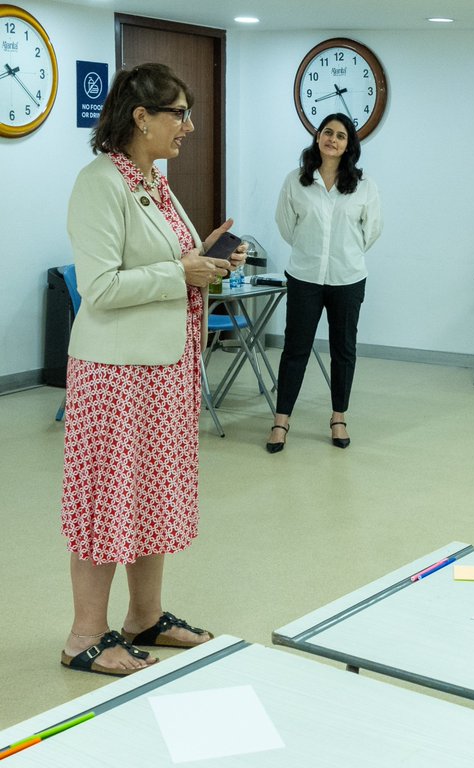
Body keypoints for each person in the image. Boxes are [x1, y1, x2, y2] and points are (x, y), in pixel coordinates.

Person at [62, 63, 243, 675]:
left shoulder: (152, 181)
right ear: (141, 117)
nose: (188, 126)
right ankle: (86, 635)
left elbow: (173, 263)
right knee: (108, 500)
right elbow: (100, 286)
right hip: (115, 373)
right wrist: (181, 272)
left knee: (150, 497)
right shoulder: (99, 182)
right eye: (179, 113)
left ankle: (145, 616)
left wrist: (207, 260)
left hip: (163, 369)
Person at [267, 113, 382, 452]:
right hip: (304, 276)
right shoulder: (296, 181)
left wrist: (344, 253)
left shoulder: (364, 186)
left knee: (343, 350)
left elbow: (371, 230)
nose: (333, 139)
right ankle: (281, 420)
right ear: (318, 138)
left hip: (347, 278)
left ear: (349, 145)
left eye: (341, 135)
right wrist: (312, 252)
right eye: (327, 133)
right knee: (295, 350)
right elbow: (286, 226)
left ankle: (338, 416)